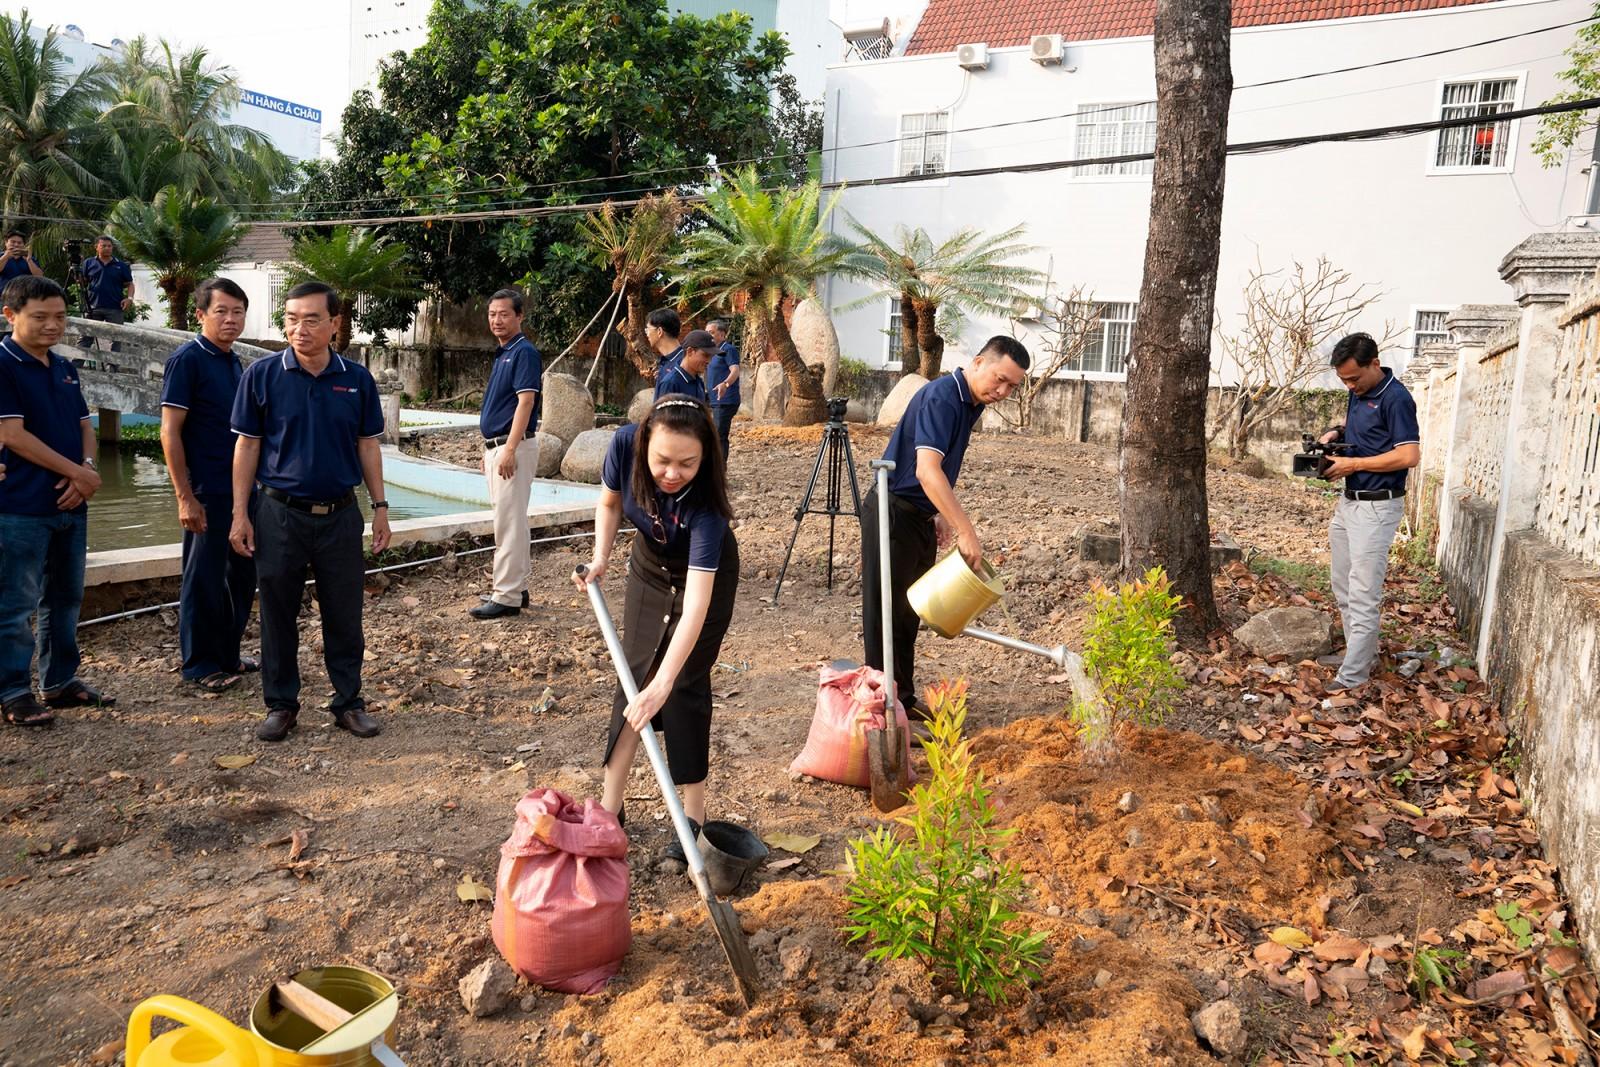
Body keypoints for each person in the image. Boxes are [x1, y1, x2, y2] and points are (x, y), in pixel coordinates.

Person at [573, 396, 738, 863]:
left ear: (704, 457)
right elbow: (608, 504)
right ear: (645, 443)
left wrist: (663, 687)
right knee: (633, 677)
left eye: (687, 463)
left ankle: (693, 822)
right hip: (648, 566)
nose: (672, 472)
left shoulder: (706, 508)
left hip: (705, 577)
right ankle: (610, 810)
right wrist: (602, 558)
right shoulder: (623, 445)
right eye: (662, 460)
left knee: (683, 684)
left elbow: (697, 607)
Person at [229, 281, 391, 742]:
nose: (299, 329)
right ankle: (281, 705)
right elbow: (247, 446)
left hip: (340, 515)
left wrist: (380, 506)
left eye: (312, 319)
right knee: (278, 612)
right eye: (292, 319)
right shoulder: (261, 375)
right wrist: (241, 513)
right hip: (279, 514)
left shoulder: (356, 379)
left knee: (345, 612)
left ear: (335, 324)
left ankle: (348, 703)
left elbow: (368, 445)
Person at [861, 336, 1029, 717]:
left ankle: (901, 700)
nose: (1002, 391)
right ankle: (883, 713)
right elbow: (926, 469)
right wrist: (966, 530)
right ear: (978, 361)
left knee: (907, 613)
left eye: (1012, 387)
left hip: (916, 515)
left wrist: (937, 512)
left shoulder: (968, 402)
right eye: (999, 379)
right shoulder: (943, 397)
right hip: (892, 512)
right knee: (884, 616)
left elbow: (931, 468)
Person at [0, 276, 111, 727]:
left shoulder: (64, 367)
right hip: (20, 506)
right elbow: (11, 435)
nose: (52, 326)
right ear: (11, 316)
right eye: (39, 317)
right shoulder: (4, 365)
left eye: (60, 317)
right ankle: (12, 691)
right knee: (15, 604)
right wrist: (79, 474)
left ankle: (59, 680)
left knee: (65, 598)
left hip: (70, 505)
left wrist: (84, 469)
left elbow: (86, 425)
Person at [160, 277, 258, 692]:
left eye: (238, 312)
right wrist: (185, 496)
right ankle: (199, 665)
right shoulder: (188, 360)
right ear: (200, 314)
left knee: (241, 575)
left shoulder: (233, 361)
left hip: (241, 490)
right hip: (206, 490)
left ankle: (227, 654)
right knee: (203, 577)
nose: (231, 320)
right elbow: (169, 432)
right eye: (221, 311)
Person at [1317, 332, 1420, 692]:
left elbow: (1409, 456)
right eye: (1343, 379)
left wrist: (1354, 463)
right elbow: (1361, 429)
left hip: (1377, 508)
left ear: (1374, 363)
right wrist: (1334, 432)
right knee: (1342, 584)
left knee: (1363, 592)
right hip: (1349, 502)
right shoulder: (1359, 392)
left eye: (1354, 378)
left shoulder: (1396, 398)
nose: (1349, 385)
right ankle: (1358, 656)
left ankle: (1353, 676)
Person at [471, 288, 543, 620]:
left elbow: (526, 402)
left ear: (519, 316)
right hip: (500, 446)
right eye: (492, 314)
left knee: (508, 524)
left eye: (503, 314)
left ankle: (507, 595)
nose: (497, 320)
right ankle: (518, 587)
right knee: (513, 520)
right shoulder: (505, 352)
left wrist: (509, 449)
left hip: (511, 446)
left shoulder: (523, 352)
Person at [80, 236, 134, 326]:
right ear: (96, 247)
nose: (107, 248)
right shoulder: (88, 263)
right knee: (86, 337)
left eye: (109, 246)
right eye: (103, 246)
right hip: (93, 307)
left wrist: (129, 299)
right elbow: (83, 282)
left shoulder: (121, 265)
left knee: (117, 338)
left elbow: (130, 284)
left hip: (115, 307)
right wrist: (76, 273)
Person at [706, 318, 741, 458]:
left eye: (711, 332)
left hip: (725, 400)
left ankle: (720, 470)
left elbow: (735, 370)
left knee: (719, 436)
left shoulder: (728, 349)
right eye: (707, 332)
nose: (708, 335)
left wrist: (725, 384)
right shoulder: (712, 351)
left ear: (722, 334)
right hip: (714, 400)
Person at [653, 329, 713, 404]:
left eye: (711, 357)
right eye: (705, 355)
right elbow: (664, 415)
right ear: (690, 351)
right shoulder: (671, 383)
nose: (709, 361)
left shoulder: (698, 382)